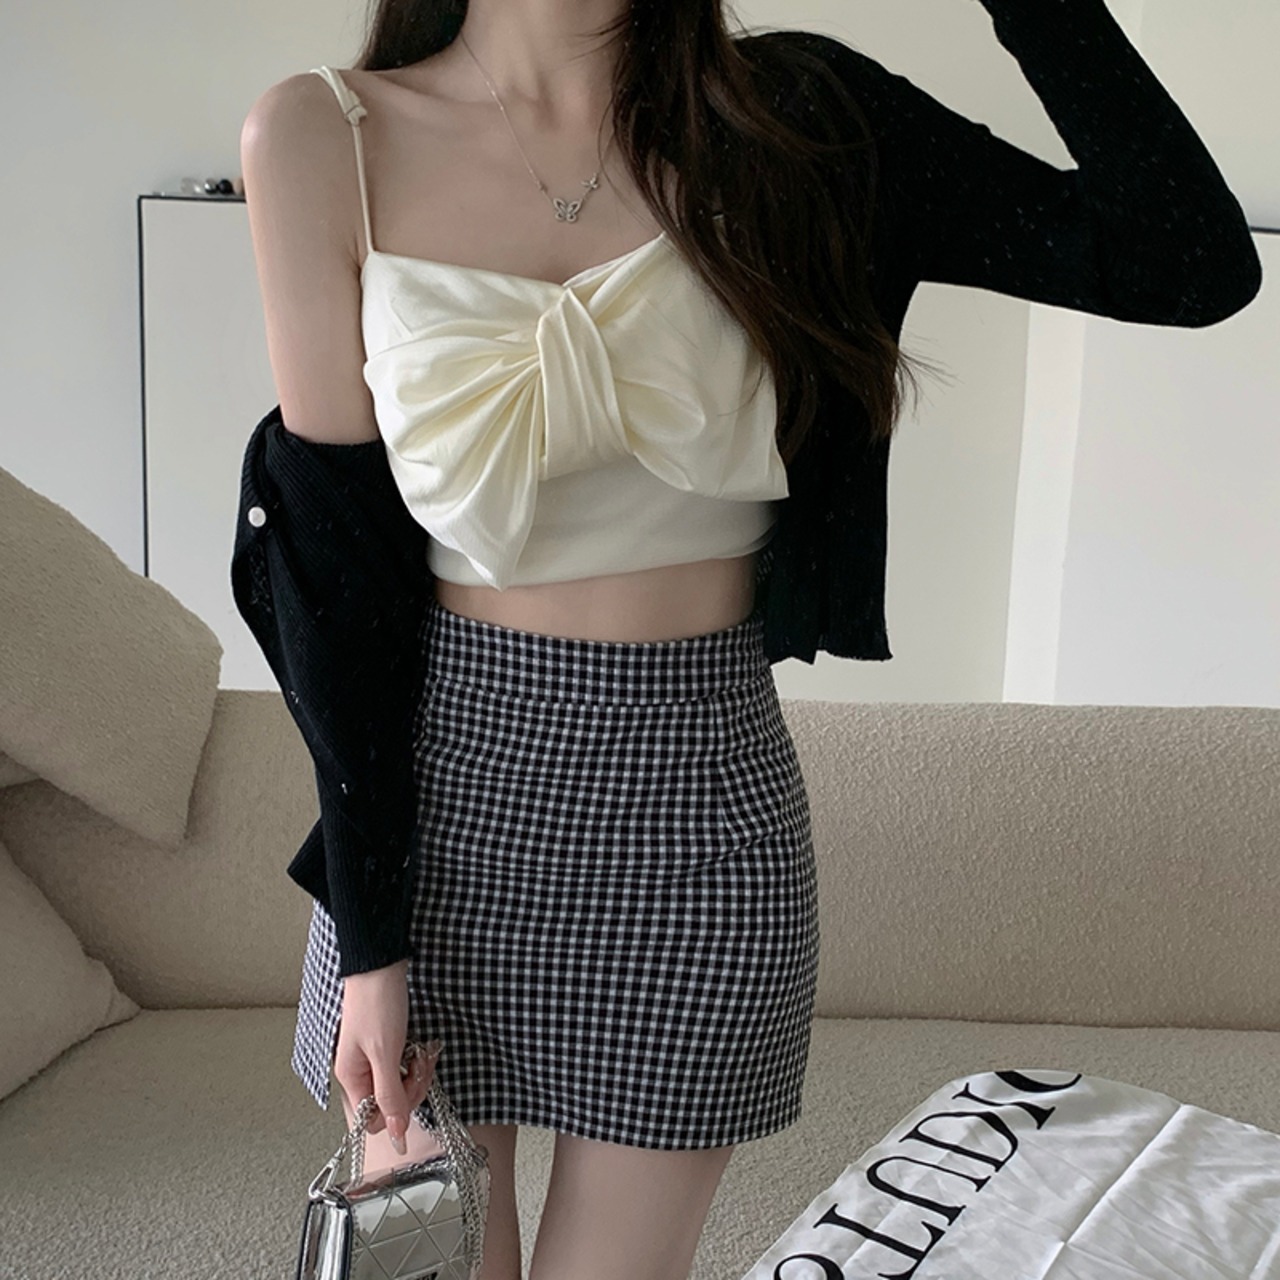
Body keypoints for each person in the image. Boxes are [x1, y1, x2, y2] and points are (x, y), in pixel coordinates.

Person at [236, 2, 1260, 1277]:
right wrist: (371, 944)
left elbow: (1184, 259)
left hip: (701, 807)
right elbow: (334, 590)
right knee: (434, 1258)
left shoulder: (799, 125)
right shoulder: (319, 137)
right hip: (434, 802)